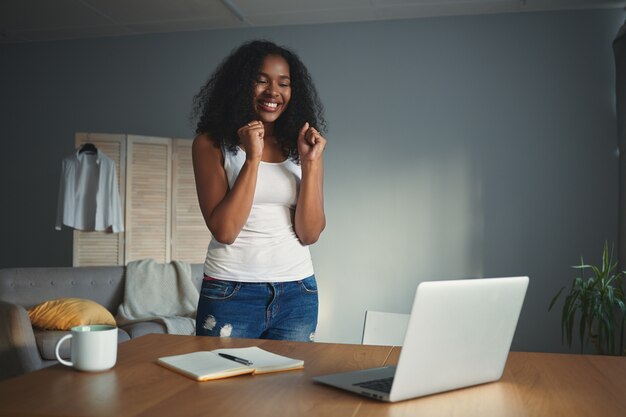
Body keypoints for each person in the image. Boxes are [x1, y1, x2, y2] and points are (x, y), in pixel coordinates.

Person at [191, 40, 327, 342]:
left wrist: (311, 163)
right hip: (232, 289)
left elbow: (310, 234)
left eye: (284, 83)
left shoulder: (302, 145)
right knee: (223, 388)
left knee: (288, 389)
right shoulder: (210, 144)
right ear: (241, 85)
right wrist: (252, 158)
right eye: (261, 80)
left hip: (298, 290)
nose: (273, 92)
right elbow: (224, 231)